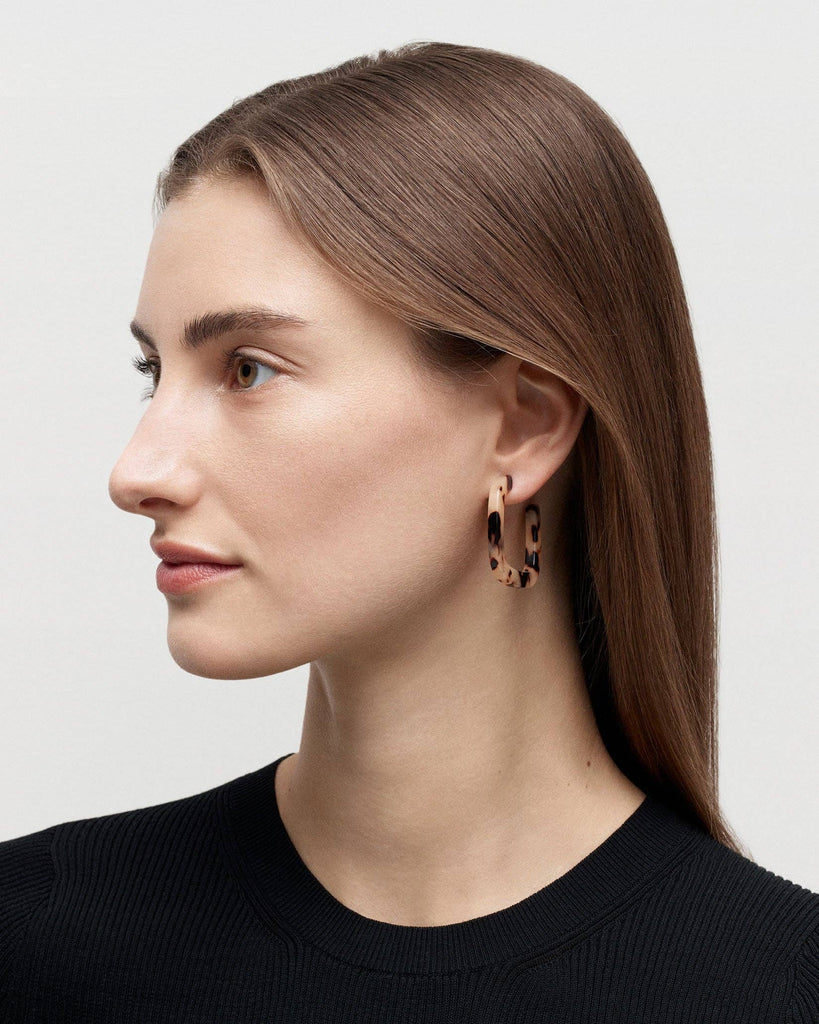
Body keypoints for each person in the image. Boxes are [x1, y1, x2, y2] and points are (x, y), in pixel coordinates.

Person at [1, 40, 817, 1023]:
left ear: (522, 427)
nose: (136, 473)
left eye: (248, 369)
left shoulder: (777, 990)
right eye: (154, 372)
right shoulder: (32, 943)